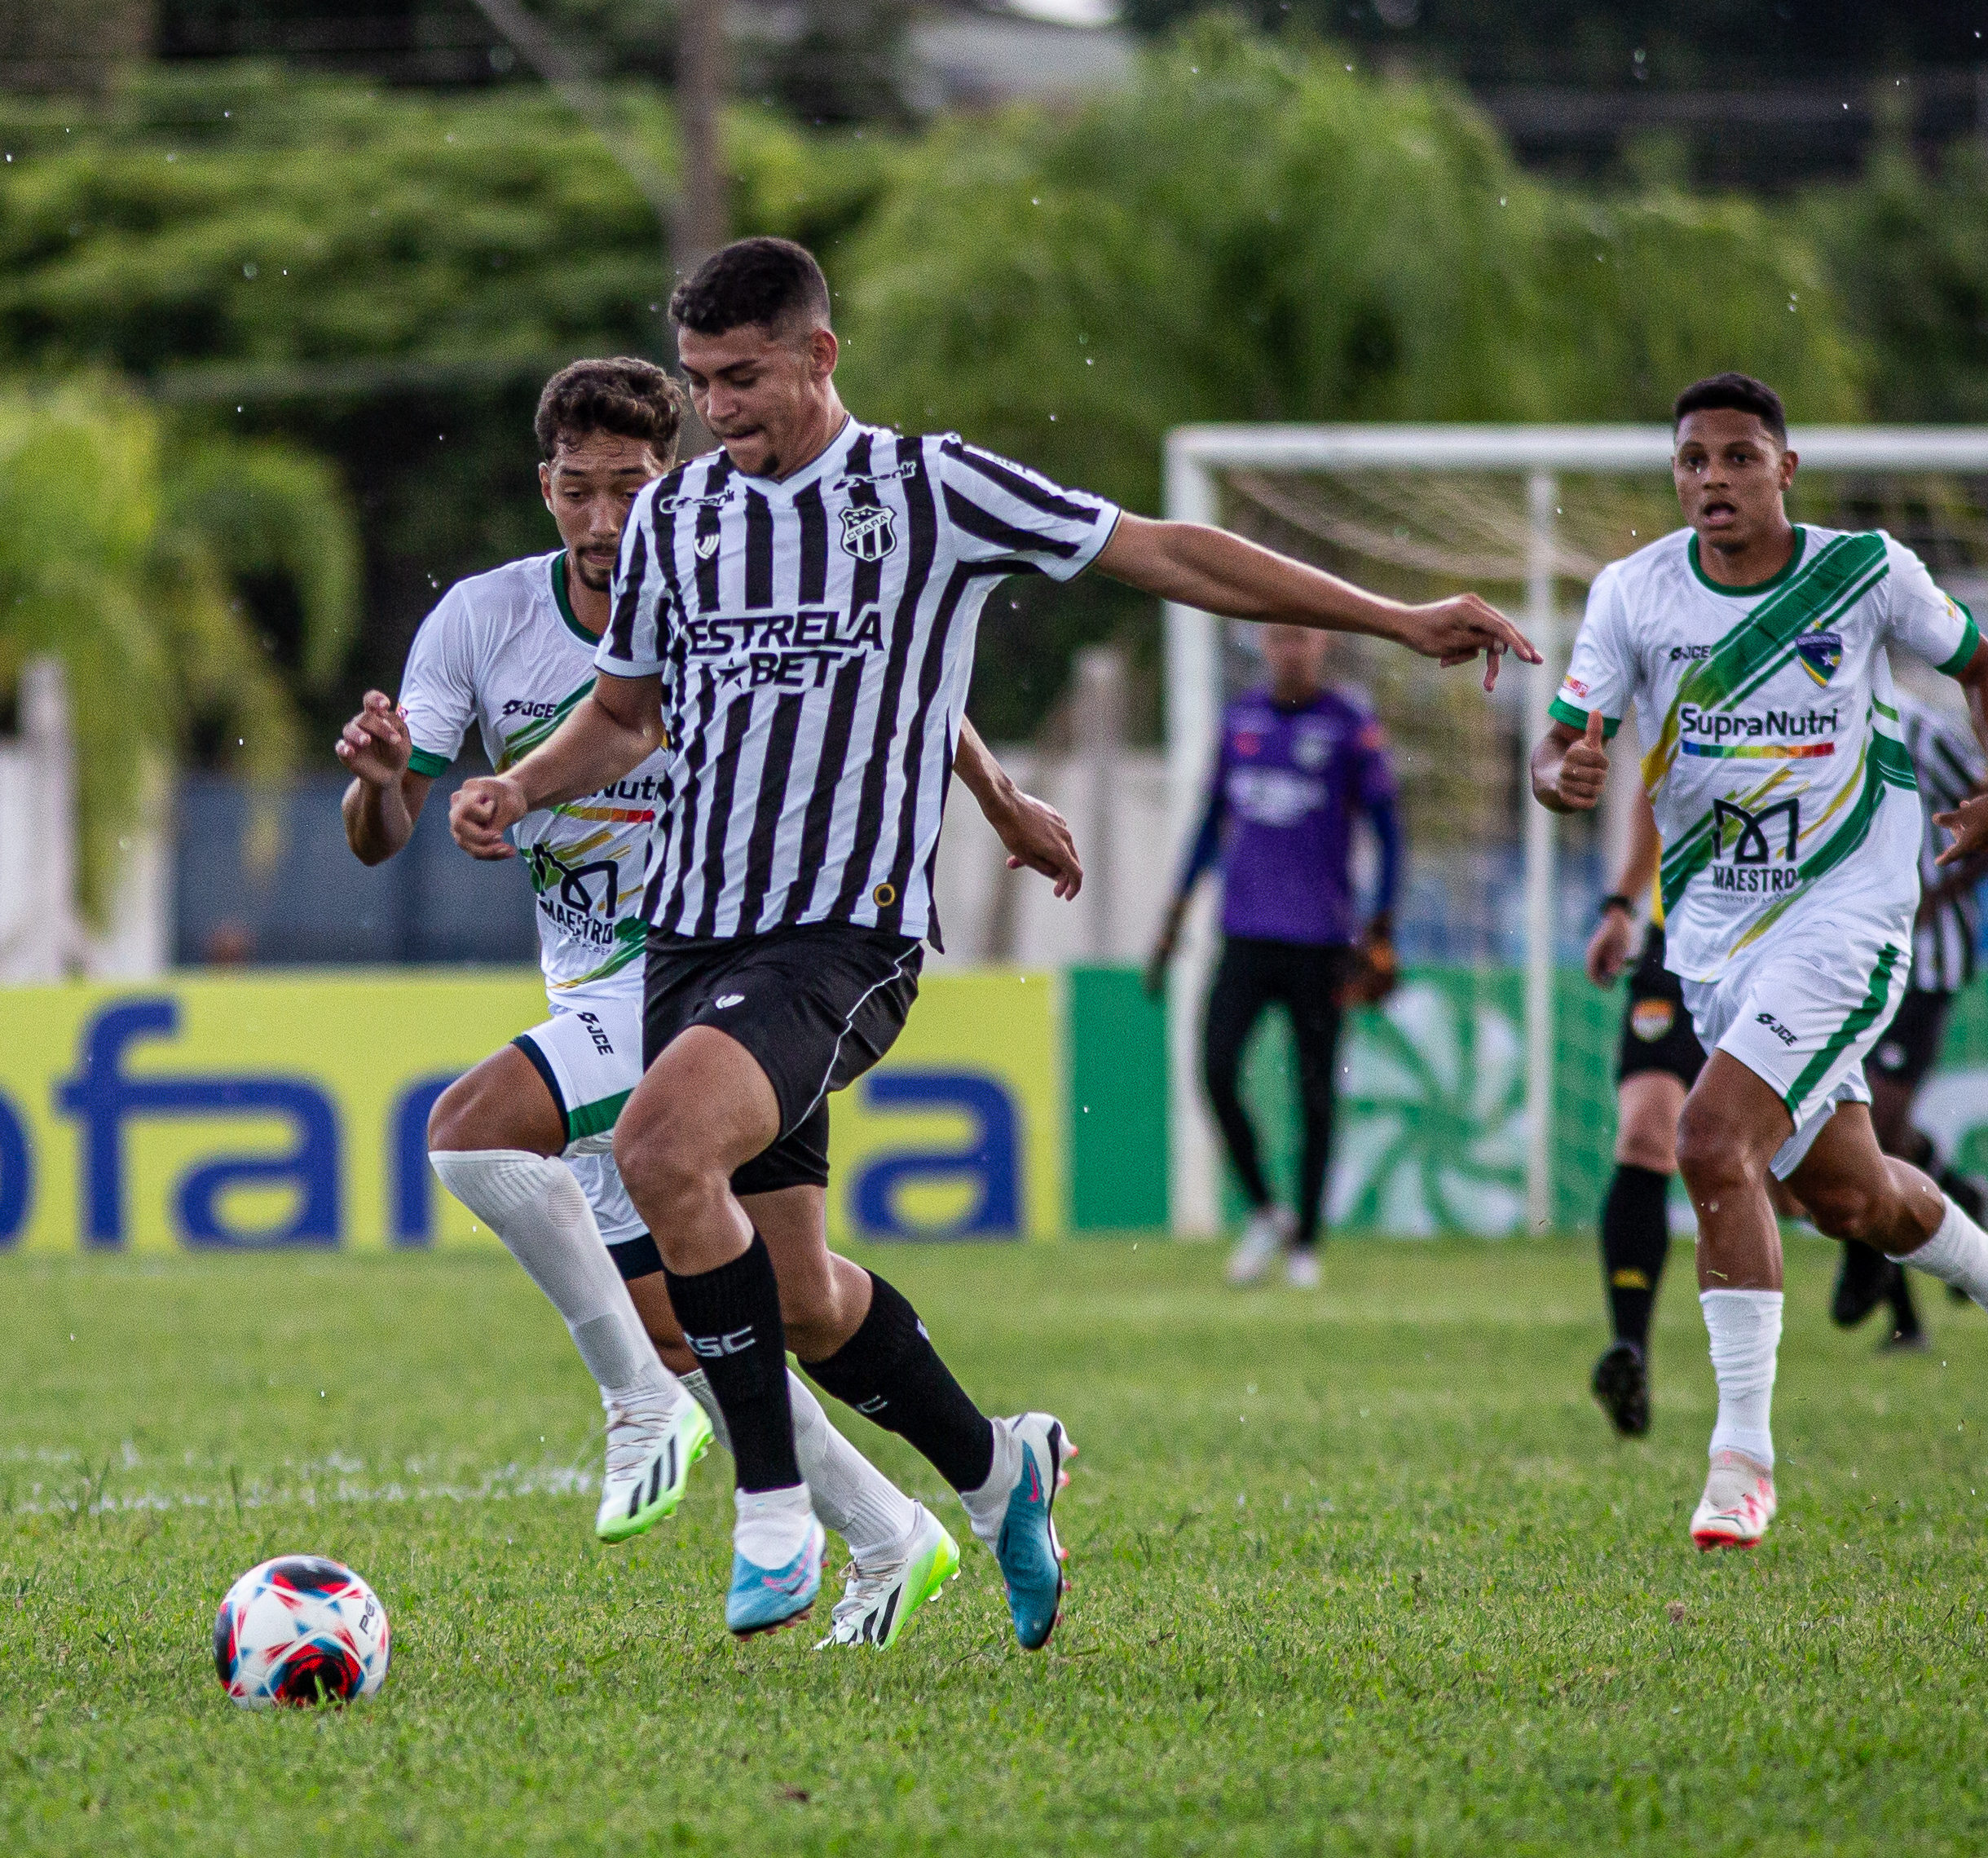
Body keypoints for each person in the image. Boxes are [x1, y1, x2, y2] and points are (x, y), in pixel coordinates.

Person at [452, 236, 1536, 1645]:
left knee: (661, 1147)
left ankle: (774, 1515)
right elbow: (629, 707)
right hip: (690, 938)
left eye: (745, 378)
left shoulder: (928, 489)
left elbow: (1158, 548)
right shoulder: (676, 523)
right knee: (795, 1293)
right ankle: (995, 1465)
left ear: (818, 355)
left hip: (843, 932)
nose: (719, 408)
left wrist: (1388, 616)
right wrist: (520, 781)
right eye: (702, 383)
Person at [339, 355, 1083, 1650]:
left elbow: (885, 678)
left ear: (667, 479)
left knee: (470, 1128)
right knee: (775, 1303)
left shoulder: (717, 574)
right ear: (546, 487)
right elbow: (377, 830)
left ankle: (640, 1408)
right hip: (600, 983)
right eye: (578, 490)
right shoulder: (482, 618)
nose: (605, 519)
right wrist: (383, 779)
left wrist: (998, 793)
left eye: (632, 487)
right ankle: (939, 1500)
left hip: (711, 960)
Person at [1533, 371, 1988, 1552]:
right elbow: (1565, 742)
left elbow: (1981, 667)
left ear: (1784, 467)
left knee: (1709, 1140)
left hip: (1849, 918)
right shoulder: (1633, 592)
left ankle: (1740, 1461)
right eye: (1690, 461)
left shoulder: (1861, 571)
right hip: (1712, 935)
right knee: (1849, 1195)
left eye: (1733, 456)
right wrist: (1556, 771)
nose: (1709, 479)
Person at [1145, 624, 1403, 1291]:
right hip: (1247, 933)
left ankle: (1308, 1245)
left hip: (1322, 941)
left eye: (1304, 638)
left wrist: (1381, 924)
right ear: (1265, 643)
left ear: (1321, 645)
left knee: (1315, 1093)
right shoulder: (1242, 720)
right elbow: (1210, 823)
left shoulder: (1350, 724)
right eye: (1282, 638)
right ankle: (1267, 1210)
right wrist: (1173, 915)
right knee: (1215, 1069)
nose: (1293, 650)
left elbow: (1389, 828)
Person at [1830, 684, 1988, 1347]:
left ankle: (1871, 1270)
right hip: (1846, 955)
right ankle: (1953, 1198)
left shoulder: (1918, 729)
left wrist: (1939, 895)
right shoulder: (1802, 720)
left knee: (1875, 1126)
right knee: (1853, 1122)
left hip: (1925, 959)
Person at [1580, 792, 1707, 1437]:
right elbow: (1655, 795)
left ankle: (1911, 1262)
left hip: (1778, 943)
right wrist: (1621, 906)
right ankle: (1631, 1352)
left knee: (1810, 1186)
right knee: (1645, 1134)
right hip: (1674, 944)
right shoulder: (1685, 694)